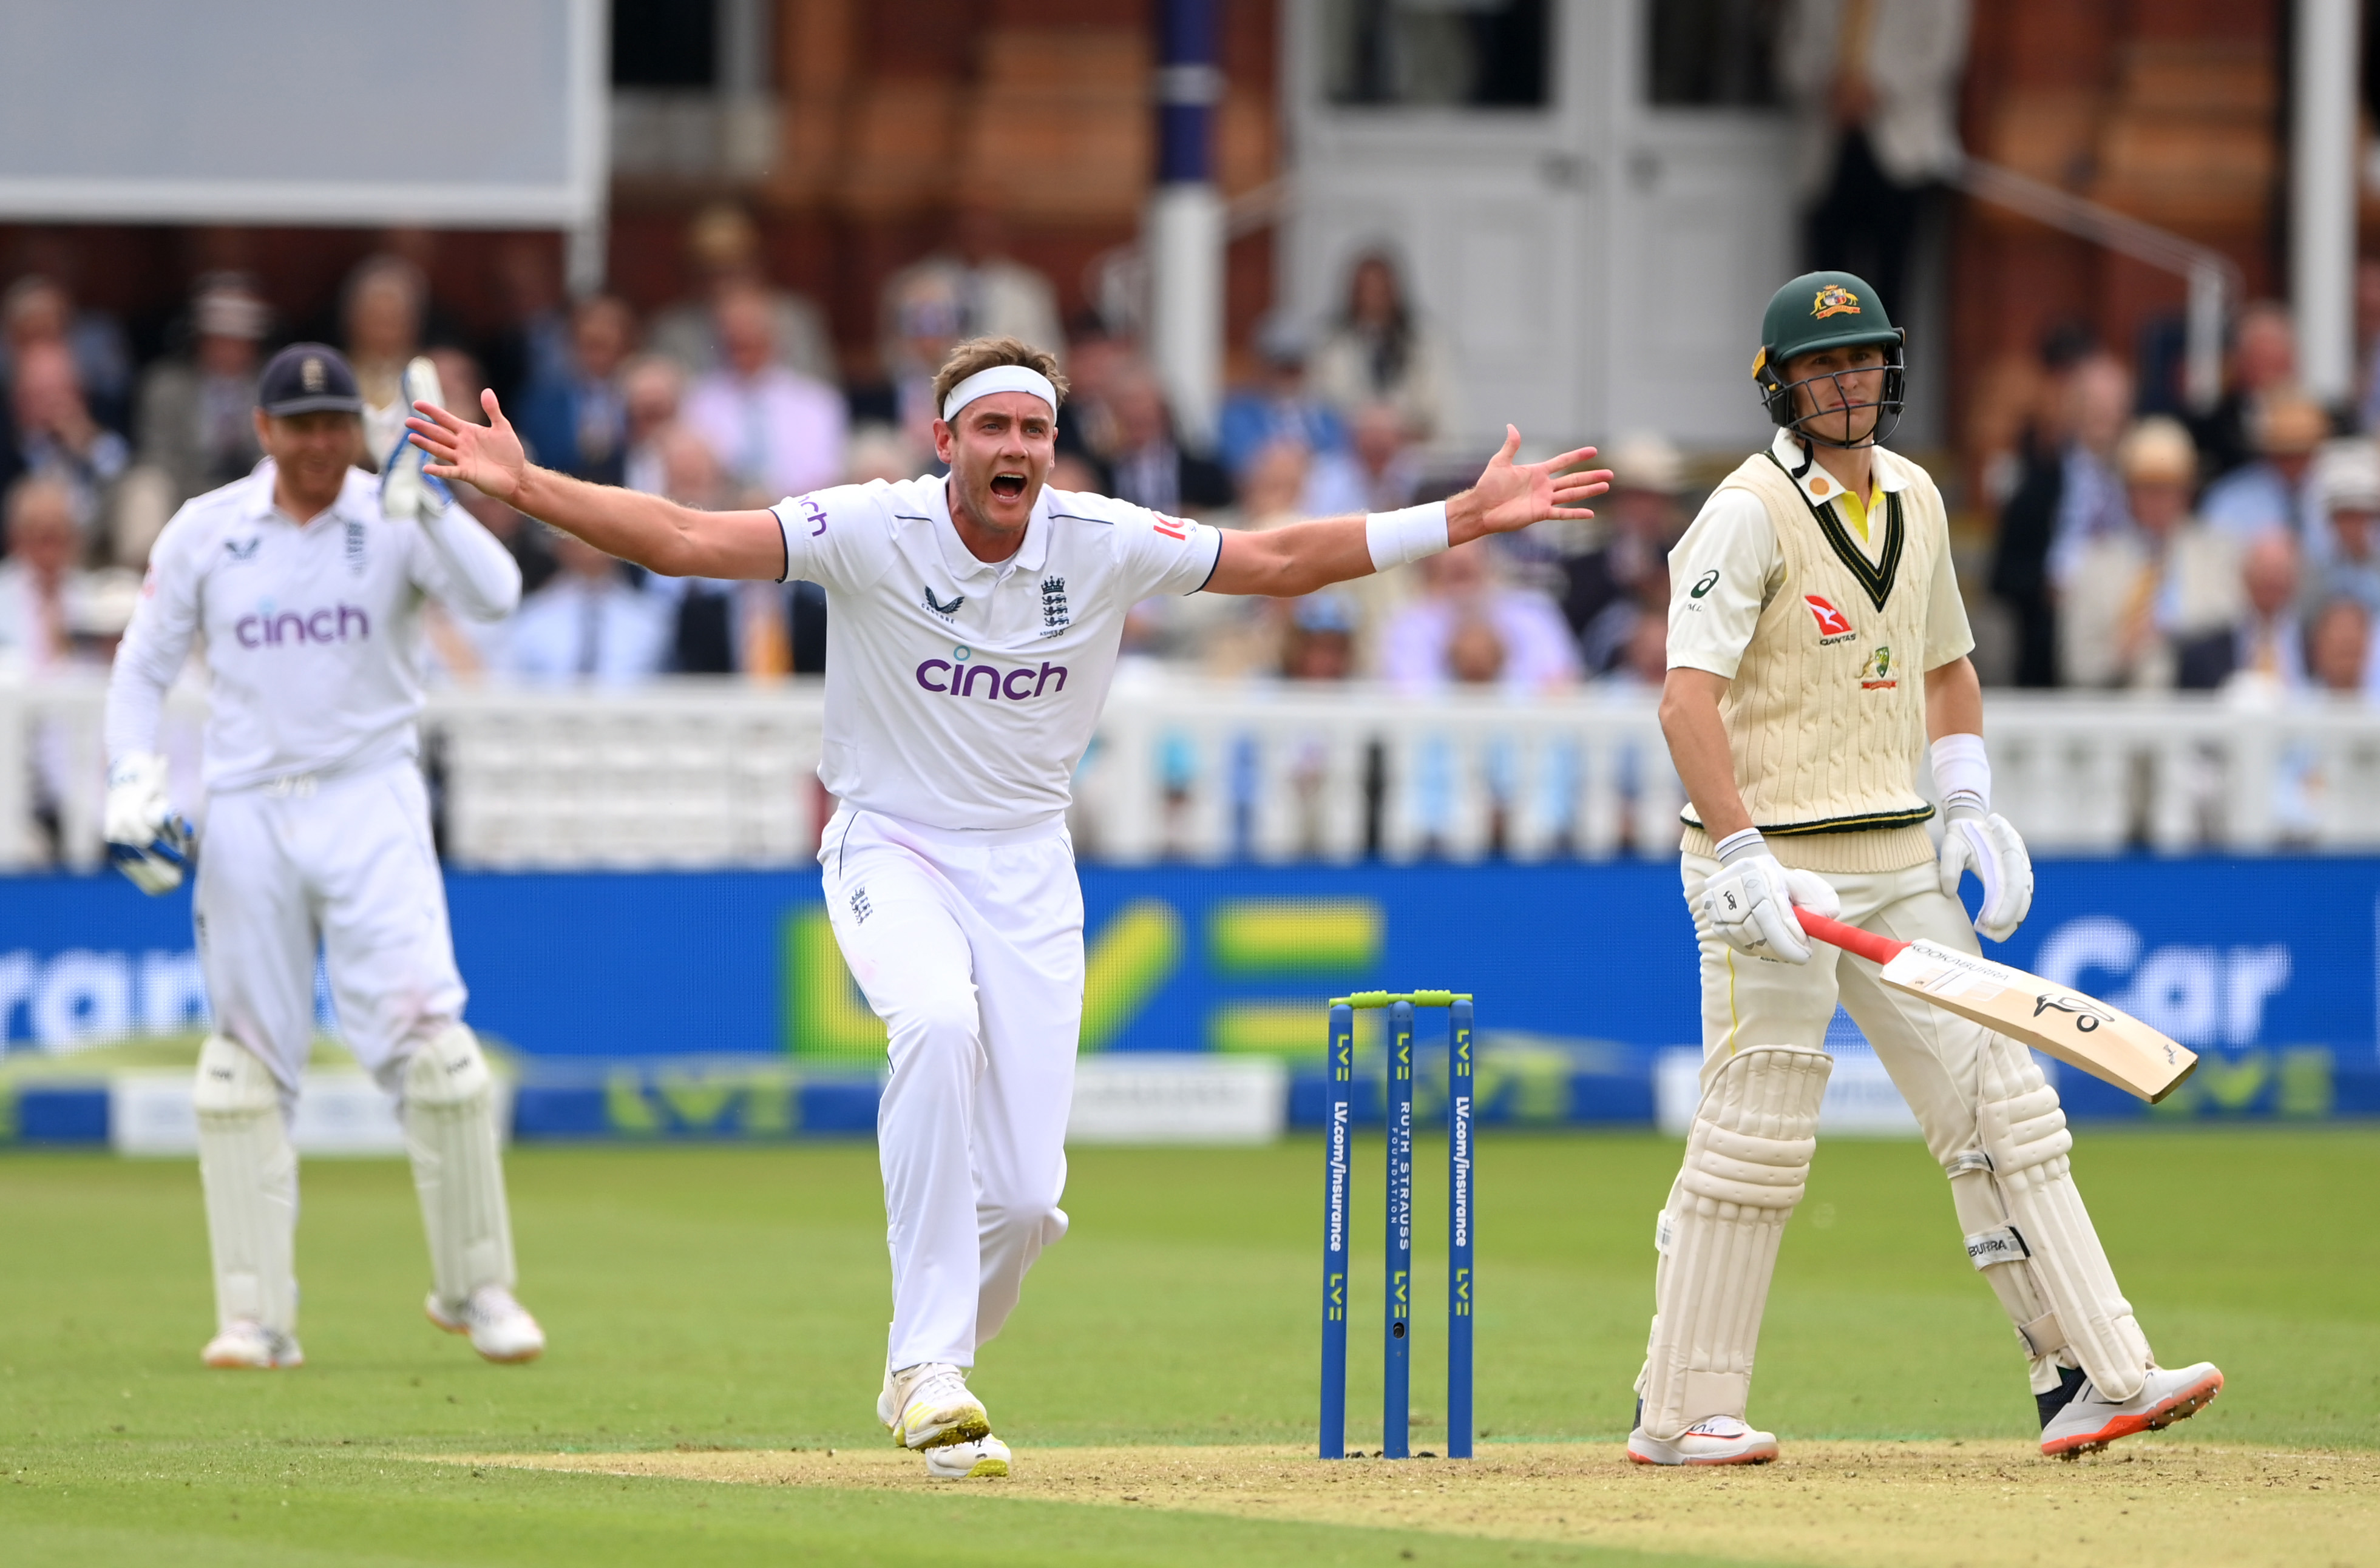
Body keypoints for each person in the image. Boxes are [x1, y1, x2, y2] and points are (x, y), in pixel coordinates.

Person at [405, 333, 1605, 1480]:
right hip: (890, 840)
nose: (1015, 444)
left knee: (1030, 1201)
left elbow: (1278, 561)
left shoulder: (1101, 537)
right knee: (931, 1021)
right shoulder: (870, 526)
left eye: (1034, 425)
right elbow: (678, 534)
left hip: (1029, 865)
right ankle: (932, 1364)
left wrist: (1456, 516)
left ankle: (917, 1369)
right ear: (946, 438)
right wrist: (526, 486)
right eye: (992, 425)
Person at [1641, 270, 2220, 1466]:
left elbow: (1947, 665)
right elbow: (1682, 697)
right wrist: (1739, 850)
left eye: (1860, 363)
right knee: (1757, 1130)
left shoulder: (1917, 494)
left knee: (2000, 1108)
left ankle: (2089, 1374)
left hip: (1898, 858)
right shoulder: (1743, 512)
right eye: (1822, 368)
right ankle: (1680, 1410)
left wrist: (1963, 798)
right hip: (1773, 880)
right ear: (1782, 386)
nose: (1846, 384)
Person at [101, 343, 540, 1372]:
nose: (319, 442)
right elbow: (142, 662)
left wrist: (432, 504)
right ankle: (256, 1316)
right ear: (263, 430)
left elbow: (500, 594)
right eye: (299, 425)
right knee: (242, 1064)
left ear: (360, 426)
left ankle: (478, 1290)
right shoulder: (209, 530)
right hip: (249, 806)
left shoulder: (393, 513)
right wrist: (131, 776)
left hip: (373, 796)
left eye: (336, 423)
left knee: (436, 1052)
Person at [1777, 0, 1968, 321]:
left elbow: (1943, 52)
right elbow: (1792, 53)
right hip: (1829, 150)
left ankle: (1887, 371)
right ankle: (1829, 368)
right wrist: (1830, 87)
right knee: (1824, 292)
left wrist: (1874, 88)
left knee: (1892, 289)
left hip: (1902, 152)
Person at [2056, 417, 2240, 691]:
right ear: (2129, 493)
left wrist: (2169, 631)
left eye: (2169, 488)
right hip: (2123, 719)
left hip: (2202, 715)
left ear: (2188, 492)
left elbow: (2233, 636)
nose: (2158, 501)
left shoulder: (2221, 555)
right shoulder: (2096, 564)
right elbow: (2075, 666)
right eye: (2146, 488)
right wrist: (2120, 654)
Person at [682, 285, 847, 508]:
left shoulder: (817, 402)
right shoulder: (697, 402)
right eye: (734, 336)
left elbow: (827, 475)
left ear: (773, 336)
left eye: (751, 332)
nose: (742, 342)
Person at [648, 203, 839, 388]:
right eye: (711, 273)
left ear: (757, 266)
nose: (723, 284)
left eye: (734, 269)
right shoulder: (674, 329)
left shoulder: (795, 317)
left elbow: (821, 390)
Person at [136, 274, 270, 507]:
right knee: (145, 484)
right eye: (220, 337)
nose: (229, 347)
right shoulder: (166, 386)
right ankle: (146, 546)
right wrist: (207, 497)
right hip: (184, 493)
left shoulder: (272, 386)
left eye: (239, 338)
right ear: (200, 338)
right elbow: (158, 456)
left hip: (255, 496)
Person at [1310, 252, 1458, 444]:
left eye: (1381, 289)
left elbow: (1437, 406)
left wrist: (1399, 430)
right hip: (1352, 453)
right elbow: (1323, 405)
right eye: (1367, 290)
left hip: (1414, 453)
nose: (1374, 298)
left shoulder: (1425, 344)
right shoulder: (1331, 346)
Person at [499, 530, 675, 684]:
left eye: (599, 536)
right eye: (576, 536)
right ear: (558, 544)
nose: (588, 547)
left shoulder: (652, 619)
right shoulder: (530, 617)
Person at [515, 295, 636, 486]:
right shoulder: (539, 403)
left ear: (627, 342)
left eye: (609, 327)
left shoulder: (646, 400)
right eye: (591, 343)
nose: (599, 330)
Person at [2200, 391, 2329, 552]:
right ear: (2266, 453)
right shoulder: (2230, 499)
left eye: (2303, 453)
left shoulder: (2339, 494)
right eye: (2284, 454)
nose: (2295, 464)